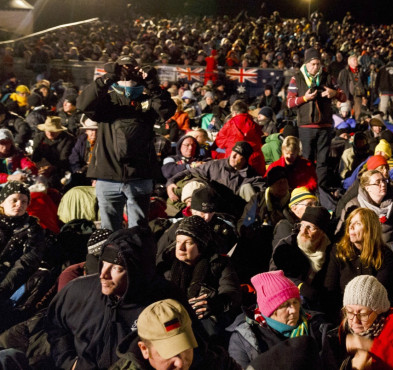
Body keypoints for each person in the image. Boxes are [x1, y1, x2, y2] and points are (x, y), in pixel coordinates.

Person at [46, 226, 182, 370]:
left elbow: (189, 350)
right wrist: (68, 361)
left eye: (116, 268)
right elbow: (54, 325)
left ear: (137, 271)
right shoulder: (78, 290)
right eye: (103, 263)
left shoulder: (166, 300)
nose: (103, 274)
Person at [78, 56, 176, 230]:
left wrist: (152, 83)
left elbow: (167, 109)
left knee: (138, 231)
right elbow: (84, 103)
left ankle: (135, 256)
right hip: (108, 175)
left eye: (132, 69)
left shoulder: (147, 101)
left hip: (139, 176)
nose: (128, 72)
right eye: (123, 68)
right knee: (109, 231)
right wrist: (108, 78)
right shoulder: (107, 102)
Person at [226, 270, 330, 368]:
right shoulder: (245, 339)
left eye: (295, 302)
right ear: (269, 310)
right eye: (285, 305)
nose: (293, 310)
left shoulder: (316, 326)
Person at [158, 216, 241, 336]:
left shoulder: (218, 264)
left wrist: (213, 304)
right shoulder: (166, 265)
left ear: (201, 247)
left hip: (203, 321)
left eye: (188, 243)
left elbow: (232, 292)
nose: (181, 248)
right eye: (179, 241)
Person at [332, 275, 393, 370]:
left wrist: (371, 346)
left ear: (379, 311)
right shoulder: (345, 327)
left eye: (363, 314)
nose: (355, 320)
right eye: (349, 311)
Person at [111, 298, 240, 370]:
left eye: (184, 347)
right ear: (144, 350)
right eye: (170, 352)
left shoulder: (216, 363)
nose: (180, 363)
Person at [286, 47, 347, 189]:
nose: (316, 67)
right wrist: (304, 98)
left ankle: (321, 190)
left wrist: (334, 93)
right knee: (306, 160)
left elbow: (343, 97)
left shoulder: (328, 77)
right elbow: (289, 102)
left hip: (325, 126)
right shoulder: (297, 78)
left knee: (323, 161)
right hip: (306, 127)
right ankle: (306, 188)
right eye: (313, 64)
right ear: (306, 64)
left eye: (318, 64)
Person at [325, 208, 393, 300]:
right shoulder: (338, 251)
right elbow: (330, 289)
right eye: (350, 223)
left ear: (370, 228)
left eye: (358, 224)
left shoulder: (384, 254)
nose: (351, 227)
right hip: (342, 308)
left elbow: (378, 292)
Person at [270, 206, 333, 309]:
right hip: (284, 302)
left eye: (310, 227)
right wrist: (300, 286)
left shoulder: (329, 251)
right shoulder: (287, 245)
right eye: (302, 225)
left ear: (322, 232)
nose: (303, 231)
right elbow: (275, 277)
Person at [0, 182, 46, 321]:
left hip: (13, 280)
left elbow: (27, 261)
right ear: (2, 202)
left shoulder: (34, 229)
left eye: (24, 201)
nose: (19, 204)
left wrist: (3, 288)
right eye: (14, 200)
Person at [339, 169, 393, 247]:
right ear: (367, 187)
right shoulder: (354, 205)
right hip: (365, 252)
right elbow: (344, 233)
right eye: (377, 182)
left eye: (384, 180)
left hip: (391, 251)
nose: (383, 184)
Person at [214, 99, 266, 175]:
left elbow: (219, 142)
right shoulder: (254, 123)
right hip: (254, 159)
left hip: (234, 159)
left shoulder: (230, 123)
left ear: (234, 112)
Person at [30, 116, 75, 188]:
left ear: (59, 130)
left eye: (53, 131)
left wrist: (52, 168)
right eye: (47, 130)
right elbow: (35, 157)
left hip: (60, 170)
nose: (50, 133)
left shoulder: (68, 139)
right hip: (41, 168)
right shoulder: (39, 138)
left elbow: (64, 159)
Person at [337, 53, 367, 120]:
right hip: (347, 95)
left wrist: (364, 96)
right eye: (354, 60)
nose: (356, 61)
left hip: (358, 95)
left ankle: (356, 126)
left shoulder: (361, 71)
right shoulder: (344, 72)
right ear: (349, 62)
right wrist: (339, 98)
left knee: (358, 113)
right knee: (346, 113)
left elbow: (364, 84)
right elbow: (339, 84)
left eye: (356, 59)